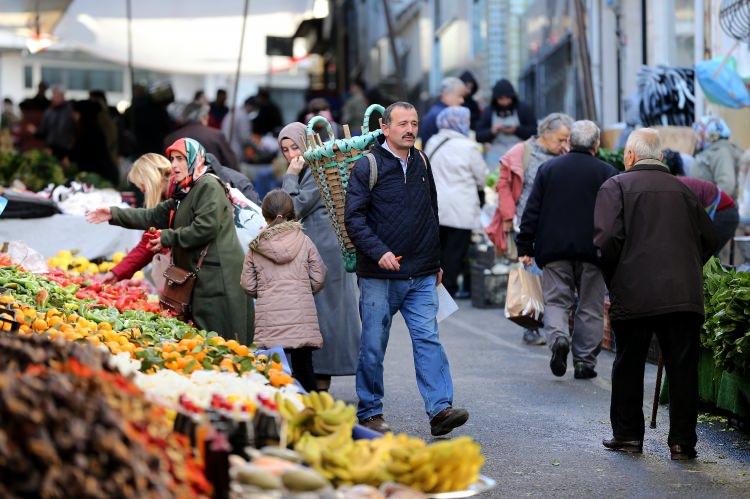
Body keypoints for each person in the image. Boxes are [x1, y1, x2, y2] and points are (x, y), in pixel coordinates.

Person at [345, 101, 469, 436]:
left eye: (414, 123)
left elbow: (432, 212)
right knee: (373, 344)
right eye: (402, 123)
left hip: (421, 274)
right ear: (385, 128)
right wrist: (379, 251)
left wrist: (436, 261)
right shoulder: (367, 165)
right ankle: (370, 411)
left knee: (428, 339)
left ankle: (440, 409)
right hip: (379, 276)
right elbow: (353, 220)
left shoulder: (422, 162)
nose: (410, 129)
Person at [594, 128, 716, 461]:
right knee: (683, 367)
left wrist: (616, 276)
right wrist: (686, 267)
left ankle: (629, 436)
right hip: (682, 294)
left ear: (629, 156)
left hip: (633, 293)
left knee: (629, 363)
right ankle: (681, 443)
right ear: (661, 157)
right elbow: (710, 237)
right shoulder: (684, 190)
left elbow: (605, 241)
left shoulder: (615, 186)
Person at [87, 138, 251, 343]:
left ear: (194, 159)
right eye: (172, 159)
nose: (173, 164)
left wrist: (167, 237)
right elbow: (151, 216)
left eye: (180, 158)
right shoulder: (185, 192)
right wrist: (113, 214)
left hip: (219, 280)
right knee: (208, 342)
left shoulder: (208, 185)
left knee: (225, 341)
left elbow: (205, 228)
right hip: (202, 279)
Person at [516, 121, 618, 379]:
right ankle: (584, 362)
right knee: (591, 305)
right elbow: (616, 216)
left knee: (556, 301)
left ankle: (559, 338)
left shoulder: (549, 169)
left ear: (570, 141)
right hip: (594, 250)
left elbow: (532, 210)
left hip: (554, 249)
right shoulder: (607, 172)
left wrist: (525, 244)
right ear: (596, 145)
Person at [278, 122, 361, 391]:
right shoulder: (312, 166)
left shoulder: (315, 170)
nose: (292, 155)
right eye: (286, 149)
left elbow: (291, 207)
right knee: (320, 315)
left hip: (326, 253)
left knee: (326, 315)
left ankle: (321, 375)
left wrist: (290, 175)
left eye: (295, 147)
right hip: (318, 251)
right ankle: (317, 375)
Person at [486, 112, 573, 346]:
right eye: (561, 139)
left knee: (554, 277)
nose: (565, 144)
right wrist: (506, 216)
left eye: (568, 140)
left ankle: (557, 326)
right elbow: (503, 185)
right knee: (532, 276)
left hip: (558, 225)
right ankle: (532, 325)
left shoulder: (566, 155)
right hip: (528, 224)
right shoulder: (521, 152)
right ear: (545, 133)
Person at [240, 189, 326, 392]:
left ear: (265, 214)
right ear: (290, 212)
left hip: (270, 321)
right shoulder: (304, 241)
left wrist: (265, 293)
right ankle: (312, 412)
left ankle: (278, 413)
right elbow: (319, 276)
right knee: (304, 368)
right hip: (301, 317)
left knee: (272, 371)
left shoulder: (256, 247)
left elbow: (248, 284)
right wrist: (303, 289)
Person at [424, 106, 487, 297]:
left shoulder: (433, 142)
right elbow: (482, 178)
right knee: (456, 250)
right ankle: (449, 289)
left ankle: (436, 288)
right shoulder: (468, 147)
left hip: (436, 206)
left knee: (440, 249)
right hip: (462, 207)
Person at [102, 154, 173, 283]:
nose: (141, 189)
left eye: (141, 184)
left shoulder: (178, 196)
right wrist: (116, 273)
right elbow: (148, 242)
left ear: (150, 177)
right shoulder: (165, 201)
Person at [664, 150, 739, 256]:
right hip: (721, 210)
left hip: (724, 213)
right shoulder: (670, 184)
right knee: (704, 256)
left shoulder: (672, 188)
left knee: (703, 256)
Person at [476, 79, 537, 170]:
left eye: (507, 98)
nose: (505, 102)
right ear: (495, 99)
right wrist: (492, 131)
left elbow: (534, 132)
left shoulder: (523, 109)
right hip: (496, 156)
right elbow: (479, 136)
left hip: (520, 153)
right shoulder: (488, 112)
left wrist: (516, 130)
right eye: (501, 99)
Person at [164, 103, 238, 170]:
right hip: (211, 182)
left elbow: (164, 167)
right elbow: (231, 164)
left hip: (179, 183)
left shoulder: (171, 138)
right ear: (204, 117)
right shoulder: (216, 135)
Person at [691, 116, 744, 200]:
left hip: (714, 211)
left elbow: (726, 185)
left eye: (700, 133)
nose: (698, 138)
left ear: (710, 135)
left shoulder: (721, 152)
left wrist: (709, 205)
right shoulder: (713, 151)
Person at [71, 99, 119, 184]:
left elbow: (83, 155)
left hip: (100, 177)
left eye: (75, 113)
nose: (72, 116)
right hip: (100, 175)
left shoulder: (89, 132)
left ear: (82, 114)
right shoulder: (91, 128)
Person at [419, 77, 466, 146]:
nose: (462, 100)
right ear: (446, 94)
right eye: (459, 96)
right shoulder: (443, 115)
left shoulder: (436, 111)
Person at [35, 86, 75, 161]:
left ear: (63, 96)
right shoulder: (48, 112)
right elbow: (43, 130)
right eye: (54, 95)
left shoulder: (70, 111)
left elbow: (75, 130)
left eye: (57, 95)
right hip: (50, 148)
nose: (54, 98)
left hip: (66, 149)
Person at [222, 97, 256, 162]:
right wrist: (256, 147)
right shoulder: (243, 116)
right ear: (250, 106)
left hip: (226, 148)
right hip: (235, 150)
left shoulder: (233, 113)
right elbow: (245, 138)